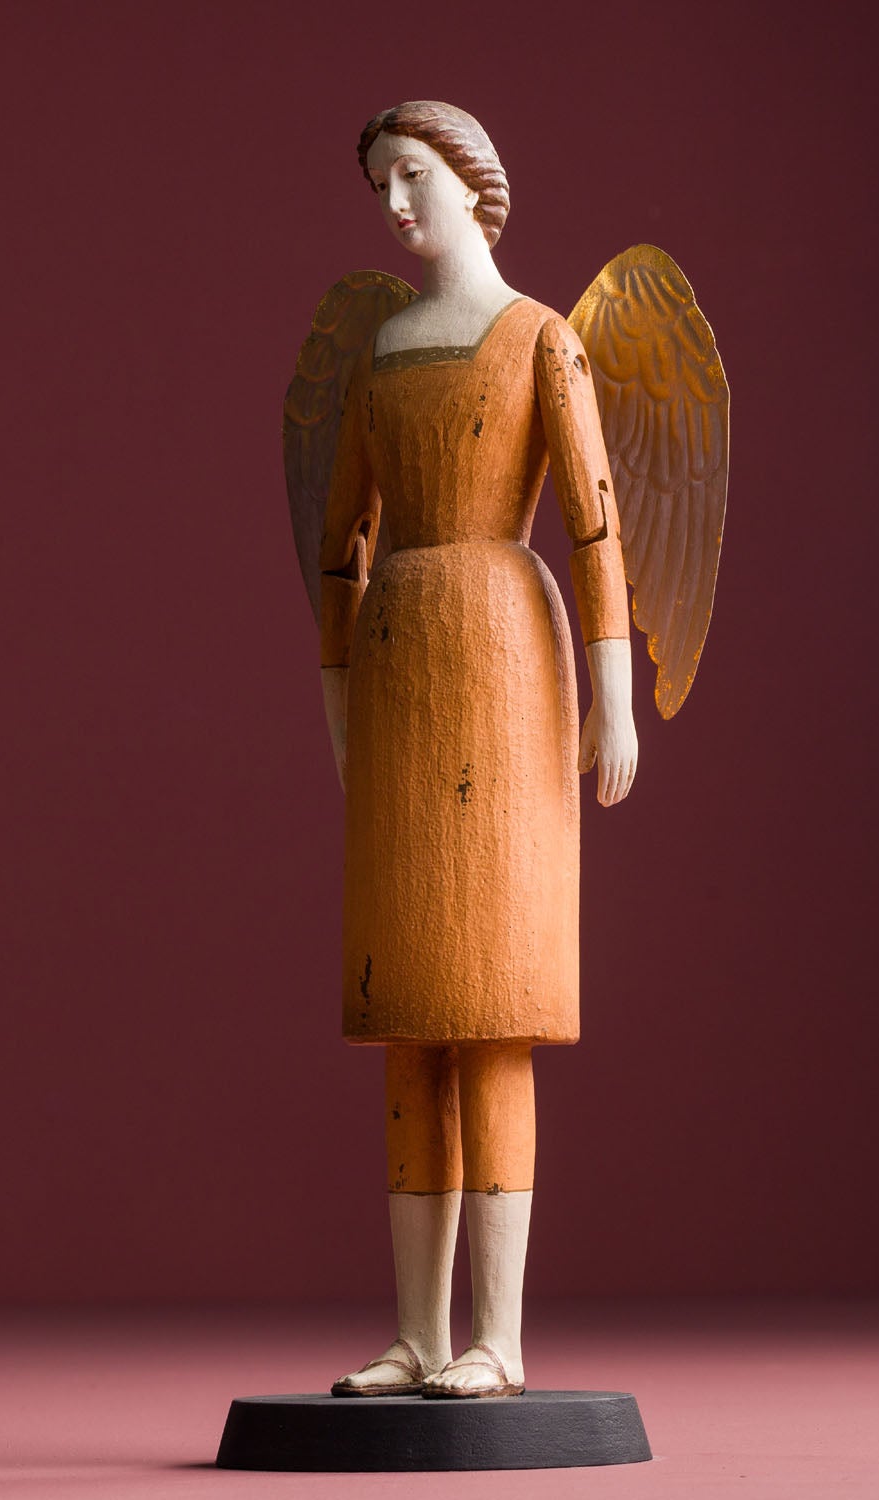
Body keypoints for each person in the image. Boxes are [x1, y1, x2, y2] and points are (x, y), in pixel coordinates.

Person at [318, 101, 638, 1399]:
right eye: (379, 185)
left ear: (469, 178)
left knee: (495, 1007)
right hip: (402, 666)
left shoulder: (543, 339)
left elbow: (597, 525)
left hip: (508, 658)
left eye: (410, 175)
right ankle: (418, 1334)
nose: (394, 205)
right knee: (411, 1014)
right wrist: (338, 705)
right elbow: (340, 549)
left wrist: (614, 696)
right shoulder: (380, 356)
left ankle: (496, 1338)